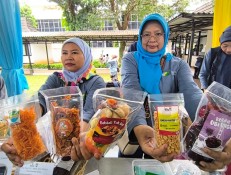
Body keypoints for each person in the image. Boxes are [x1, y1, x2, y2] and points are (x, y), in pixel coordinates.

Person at [1, 37, 106, 167]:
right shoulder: (56, 79)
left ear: (87, 55)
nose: (69, 57)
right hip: (57, 143)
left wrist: (76, 143)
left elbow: (89, 114)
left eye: (74, 52)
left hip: (84, 146)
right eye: (64, 52)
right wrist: (19, 128)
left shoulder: (95, 81)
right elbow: (39, 101)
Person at [119, 13, 203, 161]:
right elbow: (131, 92)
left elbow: (191, 93)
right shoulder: (131, 59)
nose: (152, 39)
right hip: (136, 131)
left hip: (167, 132)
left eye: (158, 34)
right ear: (140, 37)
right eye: (146, 34)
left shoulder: (178, 65)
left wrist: (206, 119)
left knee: (159, 167)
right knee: (130, 165)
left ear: (165, 36)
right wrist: (139, 127)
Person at [199, 25, 231, 91]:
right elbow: (203, 74)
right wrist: (205, 89)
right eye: (225, 46)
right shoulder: (212, 53)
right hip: (213, 94)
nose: (229, 50)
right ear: (220, 44)